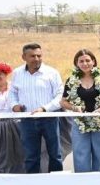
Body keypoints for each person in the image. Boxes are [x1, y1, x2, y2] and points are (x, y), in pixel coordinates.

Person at [8, 43, 64, 173]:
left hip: (49, 118)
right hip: (27, 120)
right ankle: (33, 182)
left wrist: (44, 109)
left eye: (39, 55)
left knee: (55, 155)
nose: (37, 59)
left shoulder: (52, 73)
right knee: (31, 156)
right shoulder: (17, 73)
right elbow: (12, 92)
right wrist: (14, 105)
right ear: (24, 57)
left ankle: (57, 181)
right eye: (32, 56)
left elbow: (60, 96)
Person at [60, 49, 100, 173]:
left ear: (93, 61)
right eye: (81, 61)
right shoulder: (71, 80)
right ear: (76, 63)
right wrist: (74, 108)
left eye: (88, 60)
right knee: (80, 155)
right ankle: (83, 181)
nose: (85, 63)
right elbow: (63, 101)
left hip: (99, 121)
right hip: (79, 123)